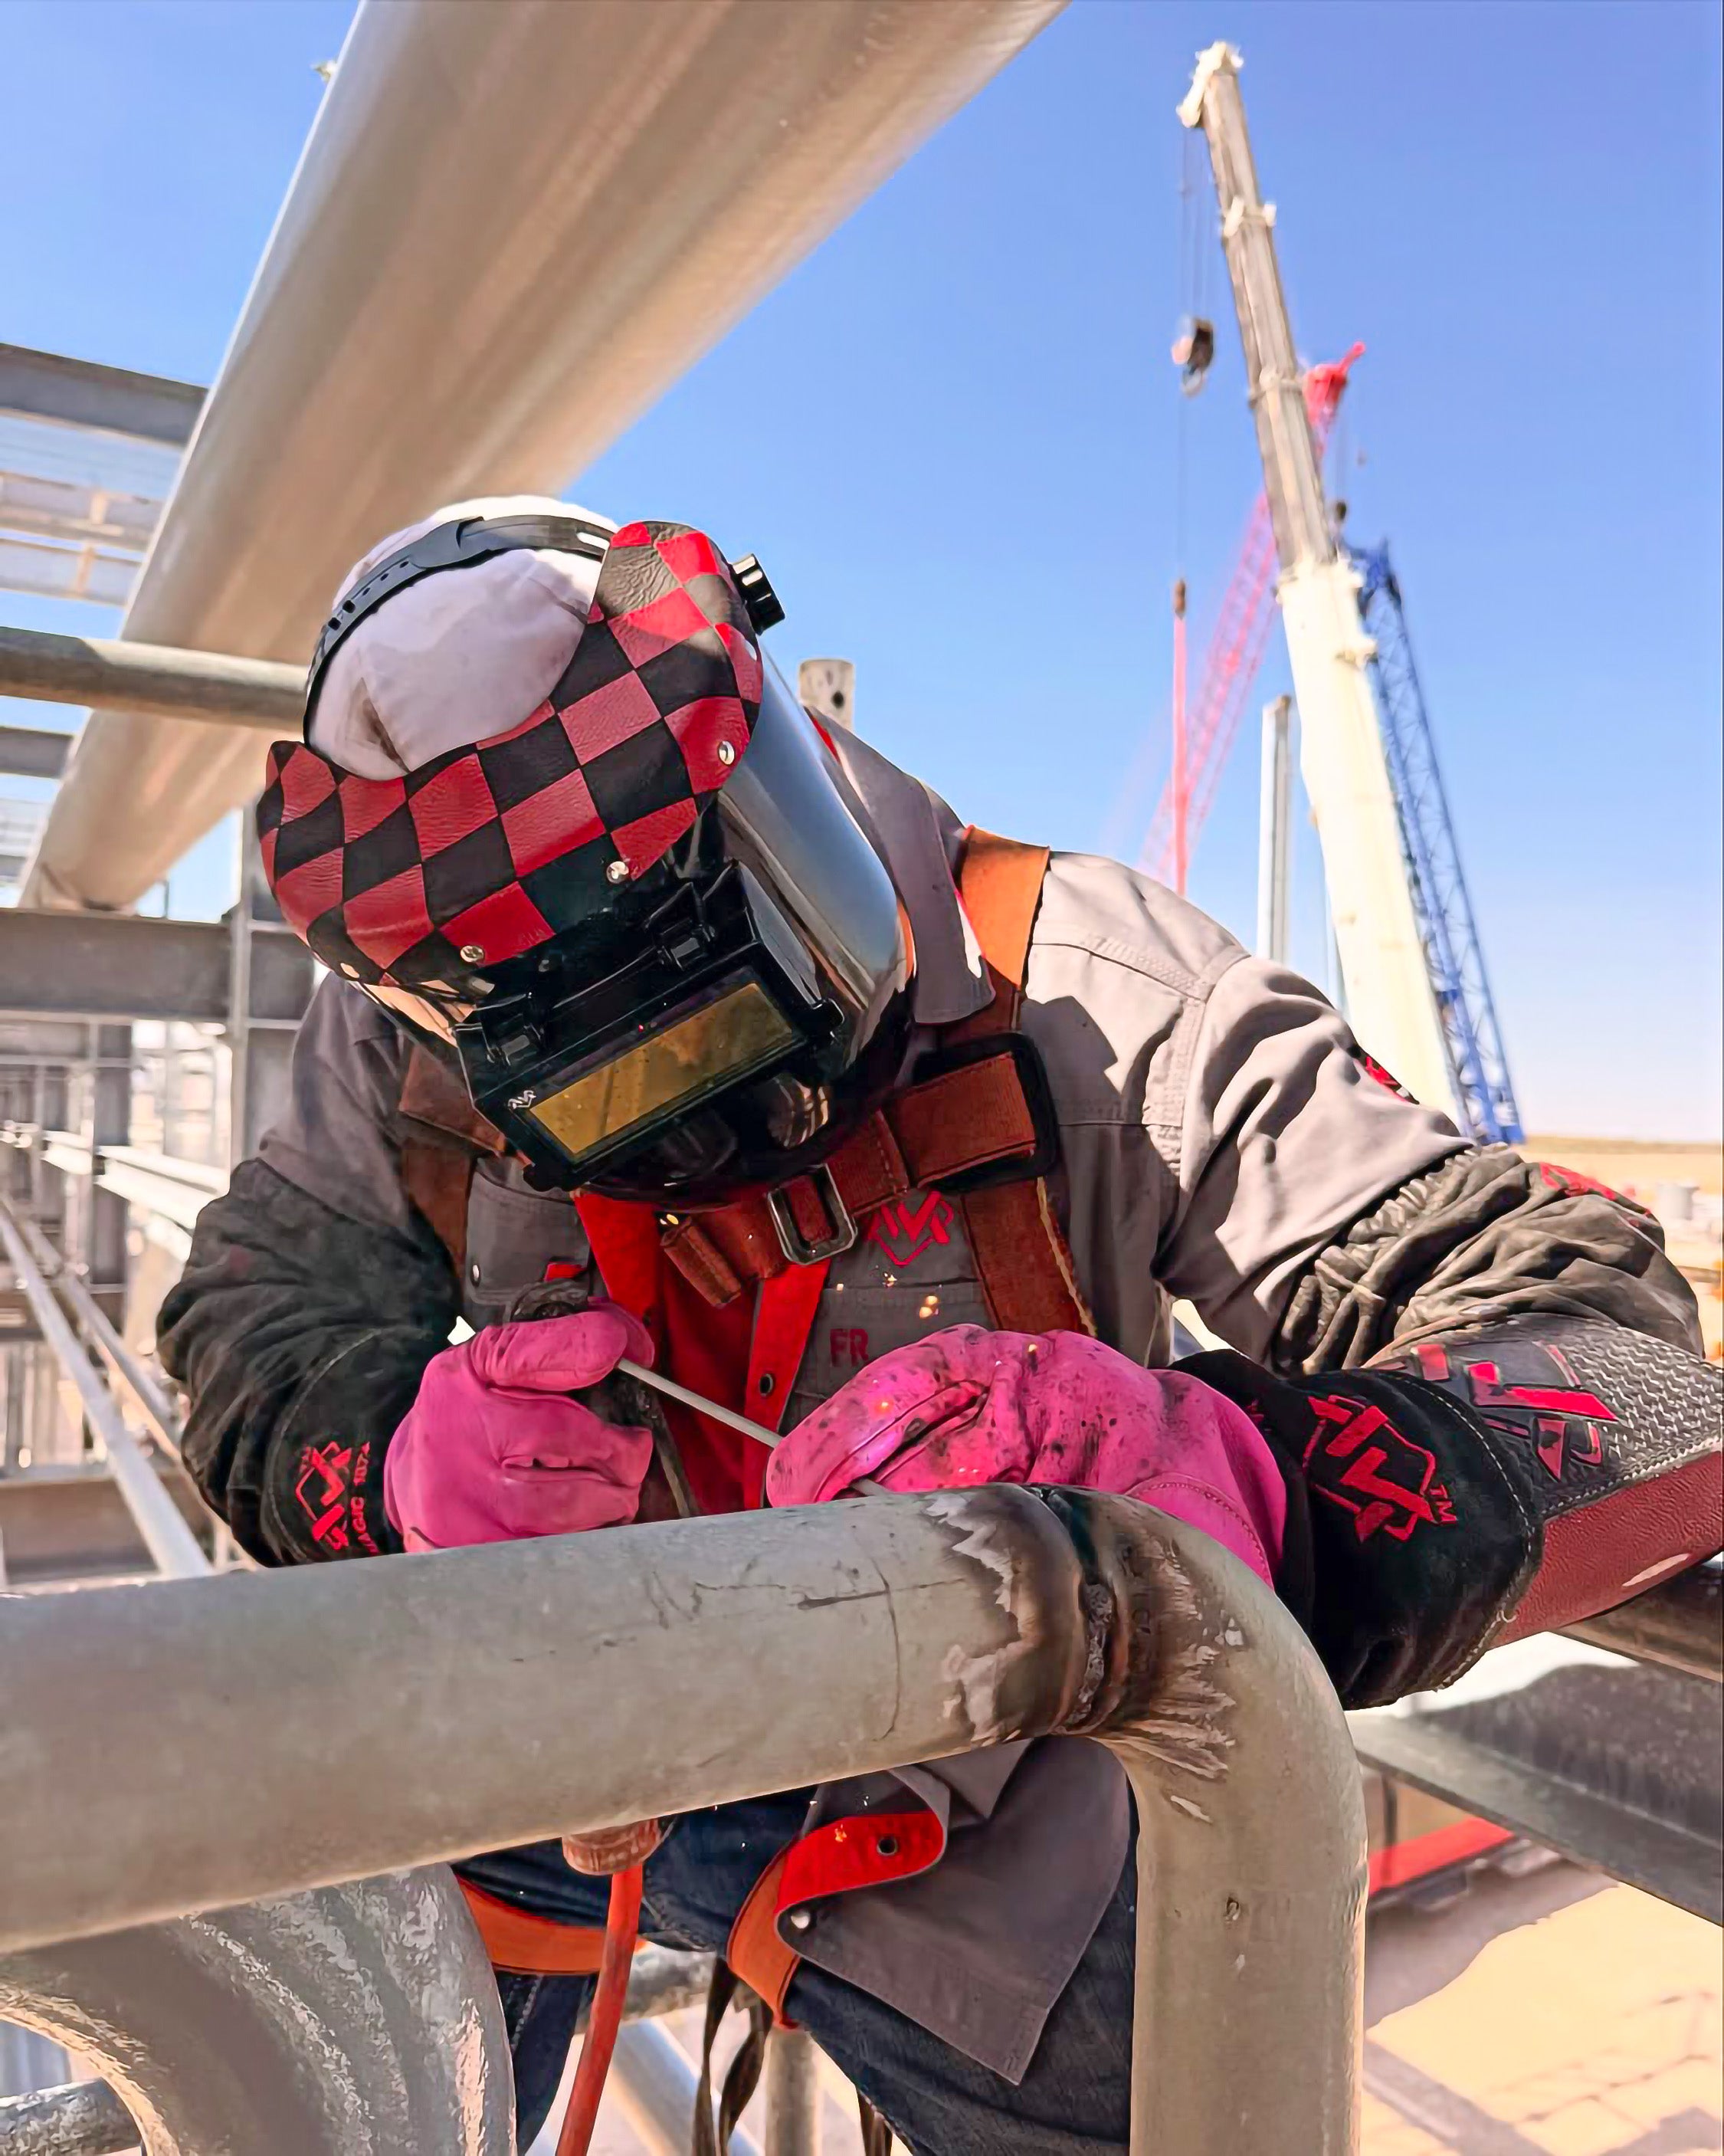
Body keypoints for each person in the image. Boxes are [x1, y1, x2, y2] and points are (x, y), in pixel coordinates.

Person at [159, 499, 1722, 2154]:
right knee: (334, 2063)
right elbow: (252, 1318)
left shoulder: (1098, 997)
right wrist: (388, 1470)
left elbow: (1637, 1385)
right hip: (543, 1750)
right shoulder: (405, 1037)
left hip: (984, 1853)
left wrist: (1264, 1497)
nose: (699, 1144)